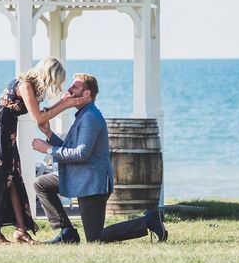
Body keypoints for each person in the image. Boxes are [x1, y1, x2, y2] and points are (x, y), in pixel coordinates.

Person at [32, 73, 168, 244]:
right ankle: (67, 232)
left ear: (87, 94)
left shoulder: (90, 117)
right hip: (79, 176)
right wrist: (49, 134)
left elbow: (81, 154)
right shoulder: (83, 115)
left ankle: (149, 221)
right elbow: (73, 149)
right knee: (42, 183)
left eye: (75, 87)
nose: (69, 90)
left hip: (92, 183)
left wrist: (49, 149)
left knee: (95, 238)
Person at [0, 57, 88, 245]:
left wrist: (61, 103)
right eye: (55, 81)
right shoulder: (24, 86)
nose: (54, 86)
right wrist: (66, 104)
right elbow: (38, 118)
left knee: (14, 177)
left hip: (8, 132)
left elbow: (43, 113)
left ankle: (21, 230)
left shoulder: (29, 86)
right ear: (48, 75)